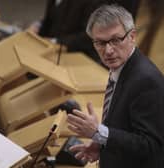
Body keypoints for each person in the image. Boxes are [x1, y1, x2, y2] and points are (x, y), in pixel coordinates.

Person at [67, 4, 164, 168]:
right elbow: (126, 127)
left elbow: (150, 146)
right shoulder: (122, 67)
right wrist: (102, 144)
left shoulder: (146, 80)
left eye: (116, 40)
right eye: (100, 43)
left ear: (132, 36)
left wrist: (99, 133)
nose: (108, 50)